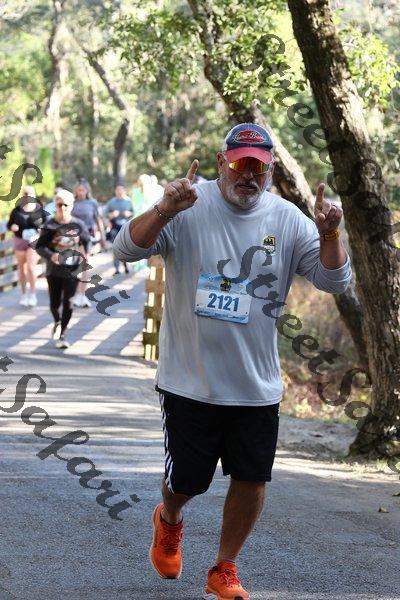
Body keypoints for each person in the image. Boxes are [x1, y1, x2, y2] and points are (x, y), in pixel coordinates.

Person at [113, 123, 352, 600]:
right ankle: (170, 519)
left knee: (252, 478)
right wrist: (163, 210)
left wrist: (329, 234)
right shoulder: (187, 205)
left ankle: (224, 567)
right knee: (186, 482)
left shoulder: (287, 219)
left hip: (255, 384)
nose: (248, 175)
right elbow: (126, 249)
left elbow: (334, 281)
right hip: (190, 380)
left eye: (257, 168)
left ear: (270, 171)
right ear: (221, 162)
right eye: (240, 164)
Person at [35, 189, 90, 349]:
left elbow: (87, 240)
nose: (63, 208)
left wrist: (86, 253)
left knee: (69, 302)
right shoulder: (49, 225)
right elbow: (39, 246)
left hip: (73, 269)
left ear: (71, 206)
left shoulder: (78, 224)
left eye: (66, 205)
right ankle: (57, 321)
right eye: (59, 205)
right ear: (55, 205)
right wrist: (50, 255)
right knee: (54, 303)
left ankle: (63, 334)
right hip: (53, 270)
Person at [6, 186, 47, 307]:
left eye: (30, 194)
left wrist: (41, 232)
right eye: (25, 194)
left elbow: (46, 225)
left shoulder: (39, 210)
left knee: (30, 267)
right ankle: (24, 294)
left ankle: (33, 294)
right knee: (22, 268)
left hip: (33, 241)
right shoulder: (17, 210)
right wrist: (12, 227)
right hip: (20, 240)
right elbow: (9, 225)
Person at [71, 178, 105, 307]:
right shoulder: (71, 202)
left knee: (85, 264)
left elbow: (98, 220)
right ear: (76, 191)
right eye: (78, 190)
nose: (81, 192)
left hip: (87, 235)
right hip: (73, 236)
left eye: (83, 190)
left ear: (87, 191)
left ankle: (82, 294)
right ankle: (75, 294)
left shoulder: (92, 203)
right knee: (75, 265)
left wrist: (102, 237)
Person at [104, 184, 134, 275]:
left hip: (126, 227)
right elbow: (104, 214)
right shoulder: (111, 202)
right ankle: (116, 269)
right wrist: (111, 215)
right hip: (115, 227)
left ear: (124, 191)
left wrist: (129, 214)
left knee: (125, 247)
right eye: (118, 190)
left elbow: (134, 213)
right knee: (116, 247)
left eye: (121, 190)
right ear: (115, 191)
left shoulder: (129, 201)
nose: (119, 192)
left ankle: (125, 266)